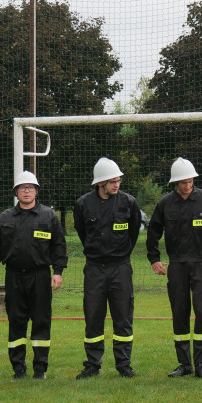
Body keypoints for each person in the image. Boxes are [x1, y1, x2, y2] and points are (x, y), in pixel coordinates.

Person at [146, 157, 202, 378]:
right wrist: (154, 259)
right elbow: (153, 233)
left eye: (191, 181)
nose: (188, 185)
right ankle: (184, 364)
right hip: (177, 265)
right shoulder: (165, 203)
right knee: (179, 312)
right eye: (183, 182)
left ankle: (201, 364)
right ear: (175, 182)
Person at [0, 171, 67, 381]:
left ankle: (40, 369)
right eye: (22, 187)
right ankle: (18, 369)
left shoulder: (48, 216)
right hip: (13, 277)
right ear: (16, 192)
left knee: (41, 321)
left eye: (30, 187)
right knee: (16, 321)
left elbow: (59, 245)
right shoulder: (5, 218)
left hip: (40, 276)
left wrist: (58, 271)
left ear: (36, 191)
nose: (26, 191)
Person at [72, 158, 142, 380]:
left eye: (118, 180)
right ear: (100, 183)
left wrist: (120, 255)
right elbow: (83, 233)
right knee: (93, 316)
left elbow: (133, 234)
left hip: (120, 267)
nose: (117, 184)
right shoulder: (83, 204)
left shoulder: (129, 203)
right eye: (112, 181)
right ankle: (92, 364)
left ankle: (123, 364)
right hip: (94, 269)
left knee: (123, 316)